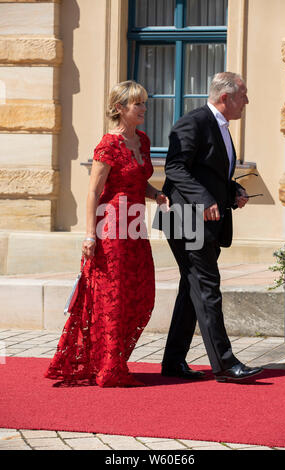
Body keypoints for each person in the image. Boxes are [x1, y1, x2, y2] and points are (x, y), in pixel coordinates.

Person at [45, 80, 168, 387]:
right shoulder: (107, 145)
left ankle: (111, 359)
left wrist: (157, 194)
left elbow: (138, 182)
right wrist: (89, 236)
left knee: (140, 295)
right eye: (137, 104)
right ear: (119, 108)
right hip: (111, 227)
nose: (143, 108)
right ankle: (110, 368)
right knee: (112, 297)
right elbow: (93, 192)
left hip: (135, 226)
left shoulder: (142, 140)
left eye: (143, 103)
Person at [160, 72, 263, 382]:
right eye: (243, 95)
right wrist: (204, 200)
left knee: (192, 289)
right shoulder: (194, 122)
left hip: (202, 220)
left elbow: (208, 172)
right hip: (185, 218)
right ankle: (225, 364)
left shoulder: (220, 127)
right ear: (225, 98)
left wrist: (233, 191)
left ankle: (174, 362)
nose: (247, 101)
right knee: (207, 288)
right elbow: (175, 167)